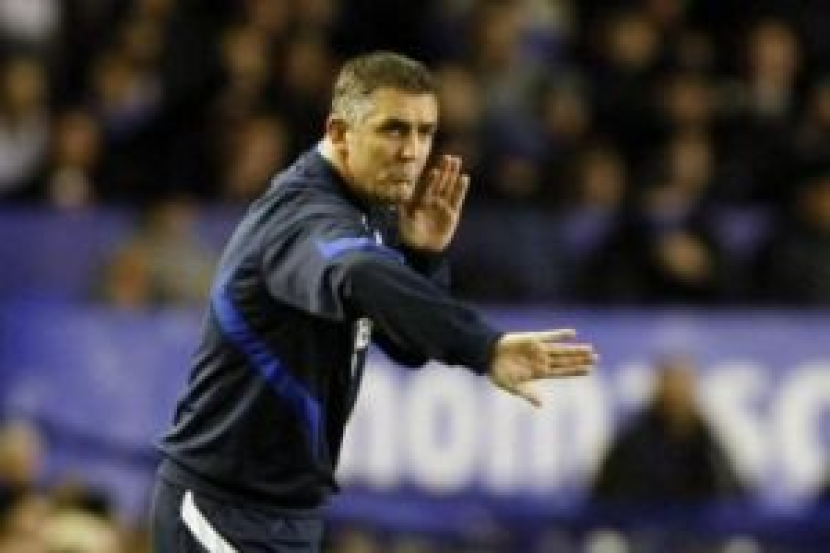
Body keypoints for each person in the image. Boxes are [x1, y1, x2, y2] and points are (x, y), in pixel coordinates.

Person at [150, 51, 597, 553]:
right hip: (223, 509)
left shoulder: (369, 209)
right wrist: (483, 347)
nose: (413, 152)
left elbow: (408, 347)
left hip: (286, 512)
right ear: (340, 132)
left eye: (425, 132)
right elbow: (357, 272)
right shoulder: (304, 216)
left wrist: (423, 258)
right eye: (394, 130)